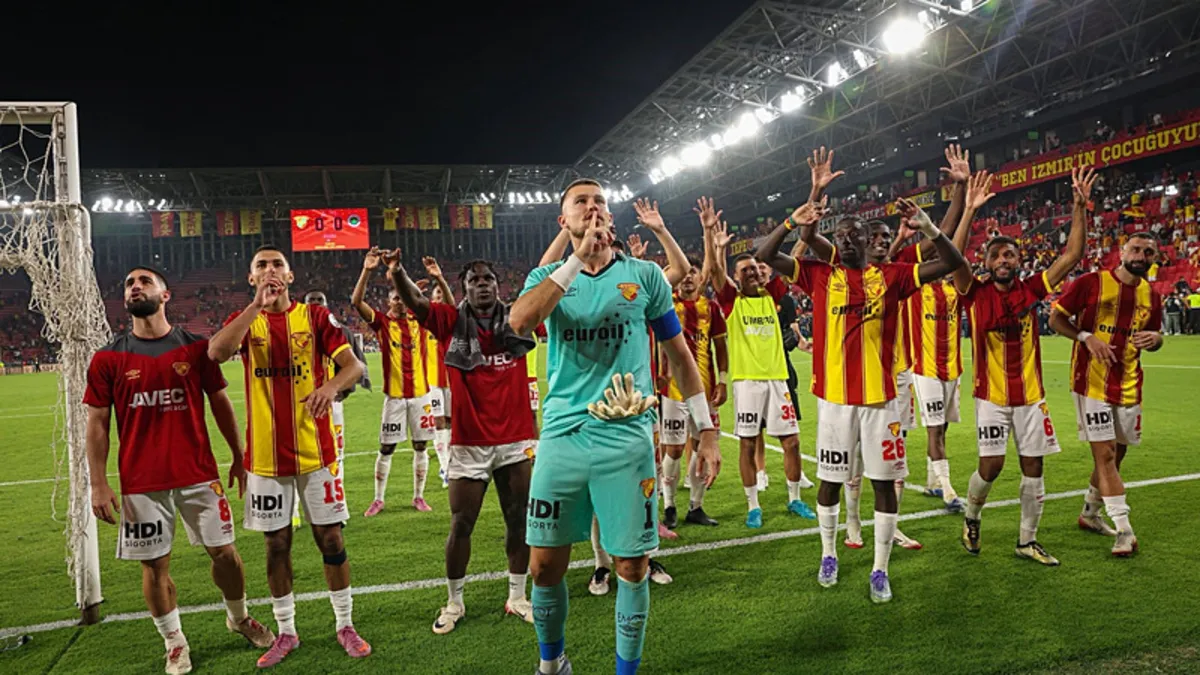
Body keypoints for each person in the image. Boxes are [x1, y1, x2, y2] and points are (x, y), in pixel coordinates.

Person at [509, 179, 722, 675]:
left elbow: (680, 356)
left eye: (600, 201)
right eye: (581, 202)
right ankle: (552, 665)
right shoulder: (546, 275)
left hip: (627, 439)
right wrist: (575, 261)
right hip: (562, 436)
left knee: (631, 565)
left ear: (610, 215)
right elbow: (519, 322)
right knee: (543, 566)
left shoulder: (644, 276)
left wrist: (707, 428)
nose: (593, 207)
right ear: (564, 221)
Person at [760, 148, 968, 602]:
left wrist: (931, 227)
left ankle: (879, 568)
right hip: (834, 402)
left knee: (883, 482)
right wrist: (795, 219)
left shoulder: (894, 275)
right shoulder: (819, 275)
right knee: (832, 481)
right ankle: (829, 553)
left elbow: (952, 262)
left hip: (881, 402)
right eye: (843, 234)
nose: (850, 240)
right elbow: (765, 253)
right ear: (838, 241)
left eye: (856, 233)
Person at [85, 266, 273, 675]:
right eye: (129, 284)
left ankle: (239, 617)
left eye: (144, 281)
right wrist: (98, 483)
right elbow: (97, 423)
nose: (135, 287)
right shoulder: (107, 358)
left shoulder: (196, 349)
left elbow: (220, 403)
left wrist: (238, 456)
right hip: (141, 482)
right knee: (155, 567)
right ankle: (174, 642)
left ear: (165, 295)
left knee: (226, 555)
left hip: (199, 474)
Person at [208, 245, 370, 666]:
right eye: (261, 265)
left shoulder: (315, 318)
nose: (270, 270)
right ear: (251, 278)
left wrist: (330, 387)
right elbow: (216, 353)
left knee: (330, 538)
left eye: (277, 264)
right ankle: (286, 632)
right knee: (276, 544)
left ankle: (345, 624)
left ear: (290, 275)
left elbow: (354, 367)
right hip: (265, 460)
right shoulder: (246, 321)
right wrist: (255, 307)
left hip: (317, 452)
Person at [385, 252, 538, 632]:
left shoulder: (517, 319)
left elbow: (549, 289)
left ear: (498, 286)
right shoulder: (451, 322)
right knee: (461, 524)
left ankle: (518, 597)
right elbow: (417, 302)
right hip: (469, 441)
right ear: (464, 288)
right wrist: (397, 272)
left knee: (519, 519)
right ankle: (454, 602)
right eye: (474, 280)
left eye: (488, 279)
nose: (482, 284)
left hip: (515, 438)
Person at [953, 167, 1092, 567]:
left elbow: (1072, 256)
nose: (1003, 259)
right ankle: (972, 517)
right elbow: (952, 256)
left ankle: (1027, 541)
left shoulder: (1031, 288)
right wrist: (969, 210)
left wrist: (1079, 207)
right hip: (991, 397)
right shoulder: (973, 291)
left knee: (1034, 467)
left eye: (1009, 254)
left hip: (1031, 396)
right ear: (985, 262)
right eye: (996, 255)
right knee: (991, 467)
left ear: (1019, 260)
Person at [1049, 232, 1163, 555]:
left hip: (1129, 383)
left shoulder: (1152, 296)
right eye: (1135, 249)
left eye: (1148, 252)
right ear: (1122, 251)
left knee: (1118, 454)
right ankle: (1124, 530)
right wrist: (1085, 337)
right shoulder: (1091, 283)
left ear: (1154, 259)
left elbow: (1154, 334)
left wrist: (1157, 341)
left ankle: (1090, 512)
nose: (1141, 256)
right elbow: (1056, 318)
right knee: (1106, 455)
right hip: (1091, 382)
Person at [708, 204, 815, 529]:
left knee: (792, 442)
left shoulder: (773, 295)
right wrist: (714, 243)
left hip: (778, 380)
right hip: (748, 383)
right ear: (737, 278)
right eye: (746, 271)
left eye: (756, 268)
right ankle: (753, 505)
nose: (753, 273)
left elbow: (795, 254)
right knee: (748, 443)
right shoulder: (732, 301)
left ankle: (795, 498)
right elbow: (715, 273)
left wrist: (805, 218)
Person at [351, 247, 438, 515]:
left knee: (421, 446)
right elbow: (356, 301)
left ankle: (419, 496)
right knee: (387, 447)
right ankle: (378, 499)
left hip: (421, 395)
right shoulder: (381, 323)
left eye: (403, 297)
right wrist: (367, 270)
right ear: (389, 302)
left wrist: (413, 286)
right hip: (395, 397)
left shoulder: (420, 321)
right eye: (395, 298)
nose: (400, 301)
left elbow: (429, 302)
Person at [657, 252, 726, 530]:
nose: (687, 277)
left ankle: (696, 506)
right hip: (672, 391)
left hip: (705, 392)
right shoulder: (666, 304)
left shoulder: (711, 308)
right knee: (674, 449)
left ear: (700, 278)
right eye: (684, 274)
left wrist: (722, 381)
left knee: (701, 448)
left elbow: (720, 347)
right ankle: (669, 505)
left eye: (693, 273)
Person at [296, 290, 370, 528]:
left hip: (332, 406)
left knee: (336, 455)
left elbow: (357, 366)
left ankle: (336, 505)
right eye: (311, 301)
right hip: (298, 405)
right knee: (295, 455)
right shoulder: (292, 331)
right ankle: (294, 512)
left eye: (320, 300)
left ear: (327, 305)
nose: (316, 304)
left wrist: (341, 392)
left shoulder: (342, 332)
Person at [424, 261, 456, 488]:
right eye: (436, 294)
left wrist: (440, 279)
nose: (439, 297)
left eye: (442, 294)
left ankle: (452, 463)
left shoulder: (452, 318)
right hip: (432, 381)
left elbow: (453, 305)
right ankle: (445, 467)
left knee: (452, 422)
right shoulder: (424, 319)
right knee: (439, 421)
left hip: (452, 379)